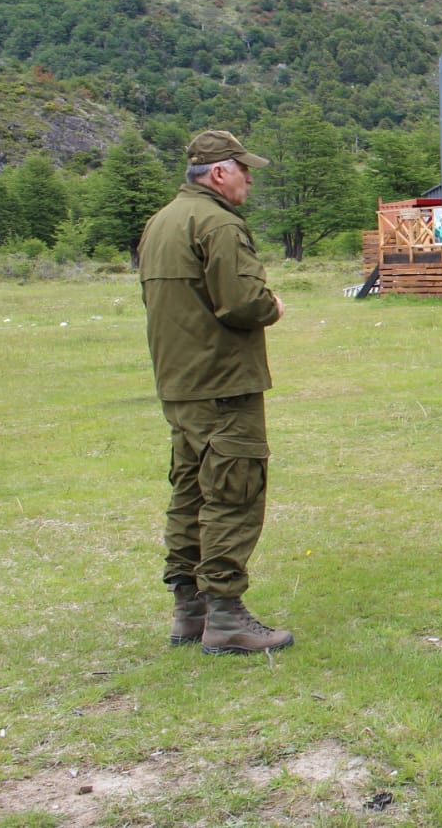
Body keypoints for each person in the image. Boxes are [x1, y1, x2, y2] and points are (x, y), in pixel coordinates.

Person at [138, 130, 291, 655]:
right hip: (223, 382)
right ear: (219, 172)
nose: (250, 177)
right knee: (233, 491)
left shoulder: (161, 222)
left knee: (190, 491)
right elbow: (242, 302)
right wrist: (272, 305)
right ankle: (224, 614)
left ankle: (190, 609)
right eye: (244, 169)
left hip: (180, 384)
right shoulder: (218, 223)